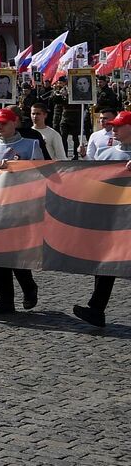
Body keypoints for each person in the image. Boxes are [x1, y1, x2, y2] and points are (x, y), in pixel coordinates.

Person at [0, 107, 42, 315]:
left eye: (3, 123)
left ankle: (28, 286)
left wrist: (18, 167)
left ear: (15, 123)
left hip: (19, 207)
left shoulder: (31, 145)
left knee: (14, 254)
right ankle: (5, 299)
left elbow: (41, 172)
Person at [71, 110, 131, 327]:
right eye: (113, 125)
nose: (113, 128)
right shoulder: (105, 155)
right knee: (105, 263)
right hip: (111, 219)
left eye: (118, 126)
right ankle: (96, 308)